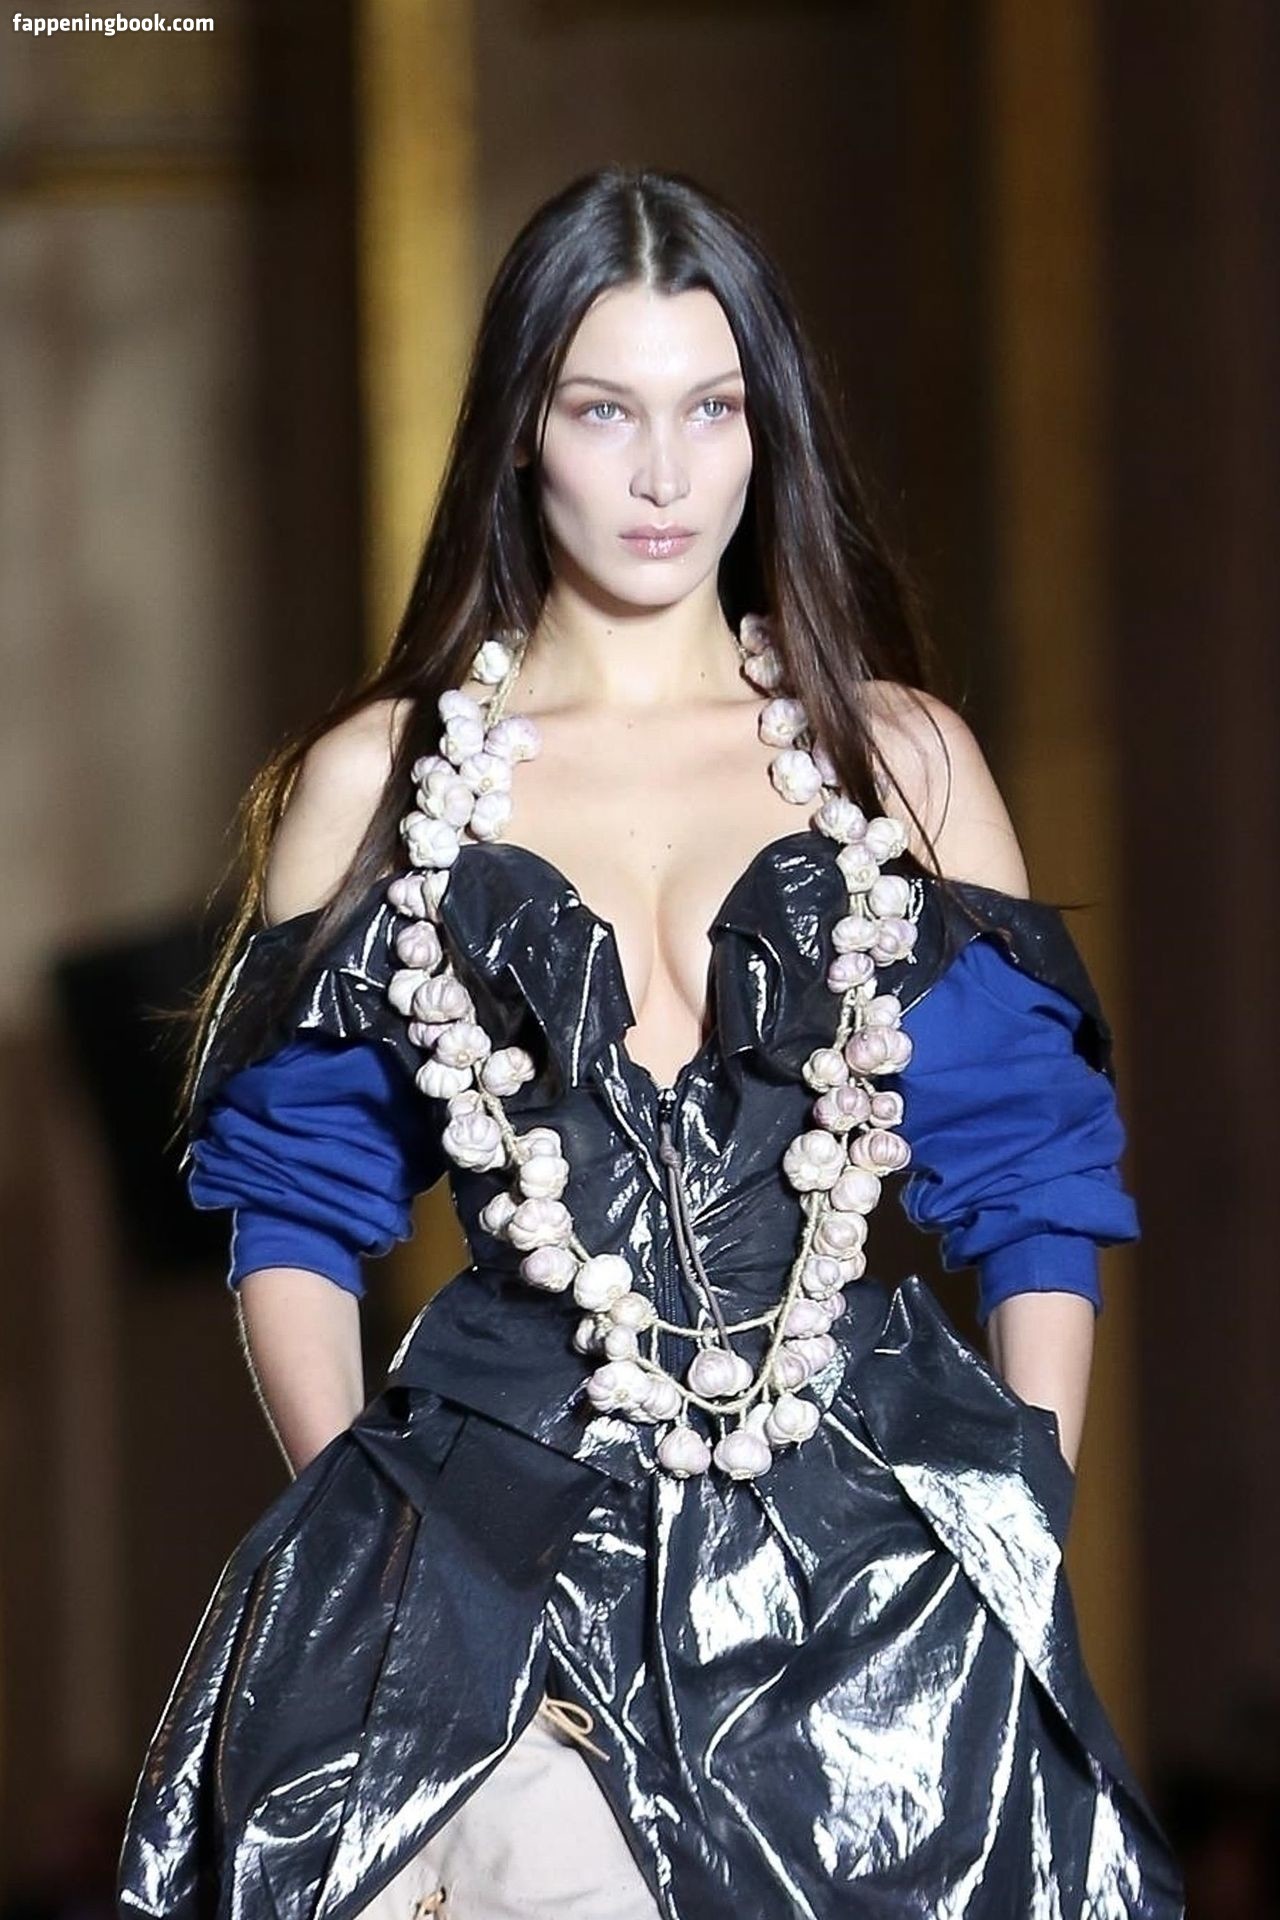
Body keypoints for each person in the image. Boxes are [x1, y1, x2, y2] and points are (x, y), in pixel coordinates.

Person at [116, 167, 1186, 1920]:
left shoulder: (899, 762)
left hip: (873, 1543)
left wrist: (1023, 1514)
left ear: (768, 433)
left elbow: (1034, 1180)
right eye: (605, 410)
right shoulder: (386, 781)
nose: (666, 475)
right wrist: (373, 1556)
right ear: (519, 433)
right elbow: (295, 1210)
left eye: (713, 409)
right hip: (492, 1537)